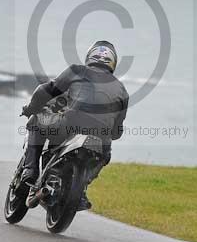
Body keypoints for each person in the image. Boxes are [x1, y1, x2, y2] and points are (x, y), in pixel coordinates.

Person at [20, 40, 129, 211]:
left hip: (69, 125)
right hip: (102, 141)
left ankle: (30, 169)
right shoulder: (122, 89)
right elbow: (117, 131)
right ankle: (82, 189)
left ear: (90, 56)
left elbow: (47, 90)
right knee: (104, 156)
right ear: (113, 62)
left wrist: (31, 108)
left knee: (35, 121)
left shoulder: (77, 70)